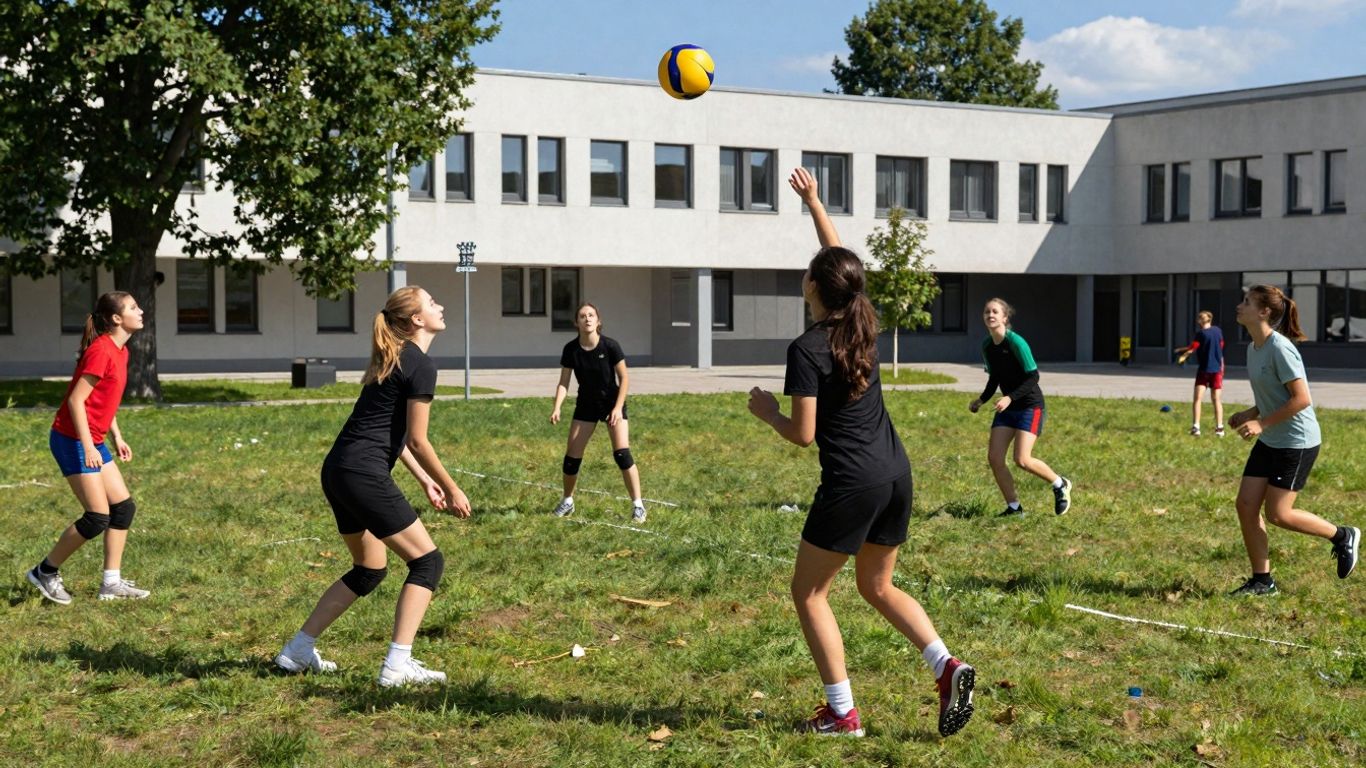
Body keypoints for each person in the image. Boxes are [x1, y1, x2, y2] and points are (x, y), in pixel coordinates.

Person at [746, 167, 975, 738]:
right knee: (876, 586)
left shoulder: (807, 347)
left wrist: (766, 411)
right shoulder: (862, 325)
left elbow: (802, 435)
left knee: (809, 591)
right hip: (896, 474)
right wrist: (815, 203)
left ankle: (842, 712)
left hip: (851, 483)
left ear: (813, 289)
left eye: (809, 275)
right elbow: (840, 261)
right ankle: (946, 665)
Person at [274, 286, 472, 686]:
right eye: (433, 303)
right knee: (428, 562)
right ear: (417, 319)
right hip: (362, 474)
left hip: (339, 470)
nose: (441, 306)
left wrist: (424, 481)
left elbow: (388, 436)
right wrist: (451, 488)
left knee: (369, 569)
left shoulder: (393, 358)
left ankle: (297, 650)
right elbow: (417, 439)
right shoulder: (418, 364)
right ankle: (397, 666)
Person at [1226, 285, 1358, 596]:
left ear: (1264, 312)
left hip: (1296, 441)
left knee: (1279, 514)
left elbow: (1301, 399)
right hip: (1272, 438)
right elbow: (1274, 395)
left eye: (1246, 302)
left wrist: (1261, 423)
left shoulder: (1280, 348)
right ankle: (1262, 581)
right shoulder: (1253, 348)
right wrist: (1250, 412)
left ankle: (1342, 536)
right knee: (1246, 505)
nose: (1239, 306)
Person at [27, 291, 150, 604]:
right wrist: (88, 446)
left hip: (92, 439)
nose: (141, 311)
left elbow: (102, 403)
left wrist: (116, 436)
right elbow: (75, 400)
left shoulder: (121, 351)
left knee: (123, 508)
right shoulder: (102, 351)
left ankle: (111, 583)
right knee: (97, 517)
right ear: (116, 319)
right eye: (133, 307)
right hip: (71, 439)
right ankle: (45, 570)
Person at [969, 300, 1073, 517]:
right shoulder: (987, 346)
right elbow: (995, 377)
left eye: (995, 311)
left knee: (1022, 459)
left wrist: (1009, 397)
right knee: (995, 458)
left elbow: (1034, 377)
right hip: (1008, 407)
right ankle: (1014, 508)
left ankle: (1060, 483)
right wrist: (981, 400)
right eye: (987, 311)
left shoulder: (1017, 343)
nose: (990, 314)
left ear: (1005, 318)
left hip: (1029, 406)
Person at [549, 303, 647, 523]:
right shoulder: (571, 349)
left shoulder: (610, 346)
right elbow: (564, 382)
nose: (587, 319)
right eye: (582, 316)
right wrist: (557, 407)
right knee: (570, 460)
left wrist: (617, 409)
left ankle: (638, 506)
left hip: (612, 403)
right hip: (586, 405)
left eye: (591, 315)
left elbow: (625, 378)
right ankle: (567, 501)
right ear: (577, 323)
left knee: (622, 454)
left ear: (598, 320)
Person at [1175, 311, 1226, 437]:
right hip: (1217, 369)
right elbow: (1221, 345)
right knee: (1216, 400)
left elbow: (1193, 347)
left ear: (1201, 321)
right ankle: (1219, 428)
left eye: (1199, 319)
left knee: (1198, 399)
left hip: (1205, 370)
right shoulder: (1218, 331)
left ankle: (1196, 427)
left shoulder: (1200, 334)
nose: (1198, 321)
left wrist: (1181, 353)